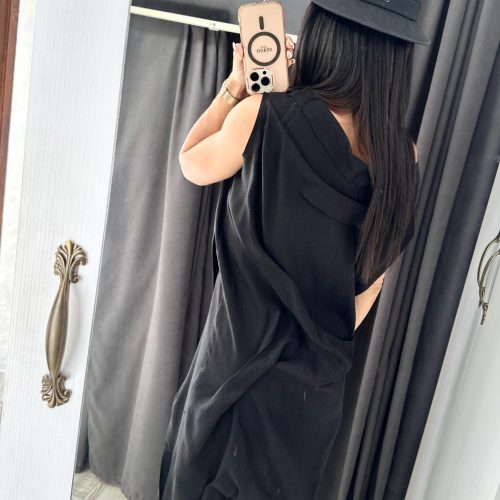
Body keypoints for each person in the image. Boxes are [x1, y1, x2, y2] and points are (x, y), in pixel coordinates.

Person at [159, 1, 430, 498]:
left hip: (235, 374)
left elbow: (191, 162)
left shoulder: (263, 115)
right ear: (396, 57)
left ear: (323, 34)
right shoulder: (403, 160)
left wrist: (235, 86)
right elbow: (362, 296)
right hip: (312, 396)